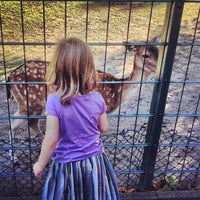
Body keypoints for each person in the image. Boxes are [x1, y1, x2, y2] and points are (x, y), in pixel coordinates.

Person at [33, 37, 120, 200]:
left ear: (58, 68)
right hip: (94, 162)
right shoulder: (97, 98)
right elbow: (104, 128)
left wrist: (39, 165)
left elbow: (51, 139)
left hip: (66, 165)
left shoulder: (54, 101)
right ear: (88, 68)